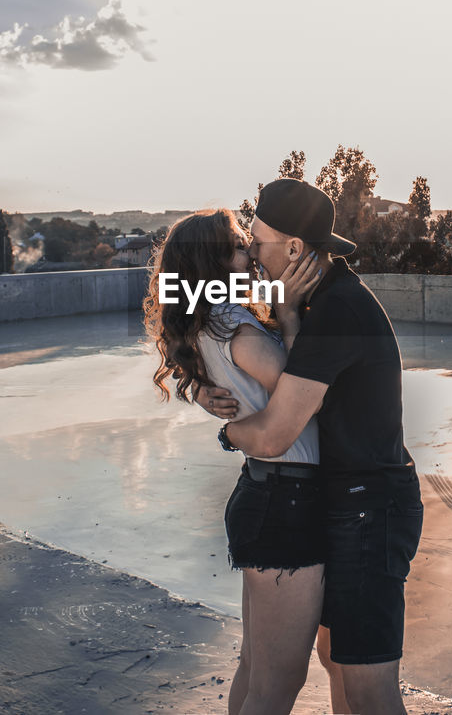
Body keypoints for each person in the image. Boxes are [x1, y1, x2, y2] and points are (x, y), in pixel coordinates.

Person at [199, 179, 423, 715]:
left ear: (294, 249)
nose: (250, 251)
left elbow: (277, 432)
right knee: (335, 666)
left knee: (366, 685)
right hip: (340, 503)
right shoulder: (313, 298)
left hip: (370, 510)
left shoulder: (336, 310)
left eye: (256, 239)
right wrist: (204, 386)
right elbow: (212, 316)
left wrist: (227, 432)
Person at [143, 208, 327, 715]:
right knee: (278, 682)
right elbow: (303, 390)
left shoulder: (211, 318)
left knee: (257, 669)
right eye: (240, 246)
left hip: (268, 495)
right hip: (285, 502)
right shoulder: (236, 328)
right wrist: (289, 316)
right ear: (214, 263)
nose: (250, 253)